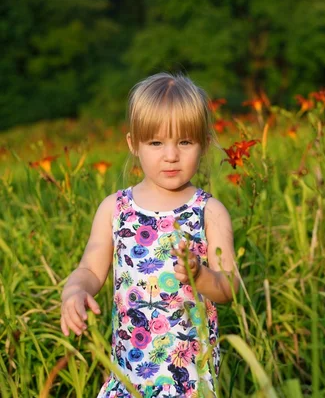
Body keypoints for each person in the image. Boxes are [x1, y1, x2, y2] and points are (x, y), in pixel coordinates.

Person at [60, 73, 241, 397]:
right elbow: (89, 269)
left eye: (185, 142)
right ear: (133, 144)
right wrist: (73, 291)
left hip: (189, 382)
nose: (171, 155)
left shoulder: (209, 211)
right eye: (156, 142)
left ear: (204, 142)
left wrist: (199, 276)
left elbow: (229, 287)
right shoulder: (115, 209)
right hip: (129, 380)